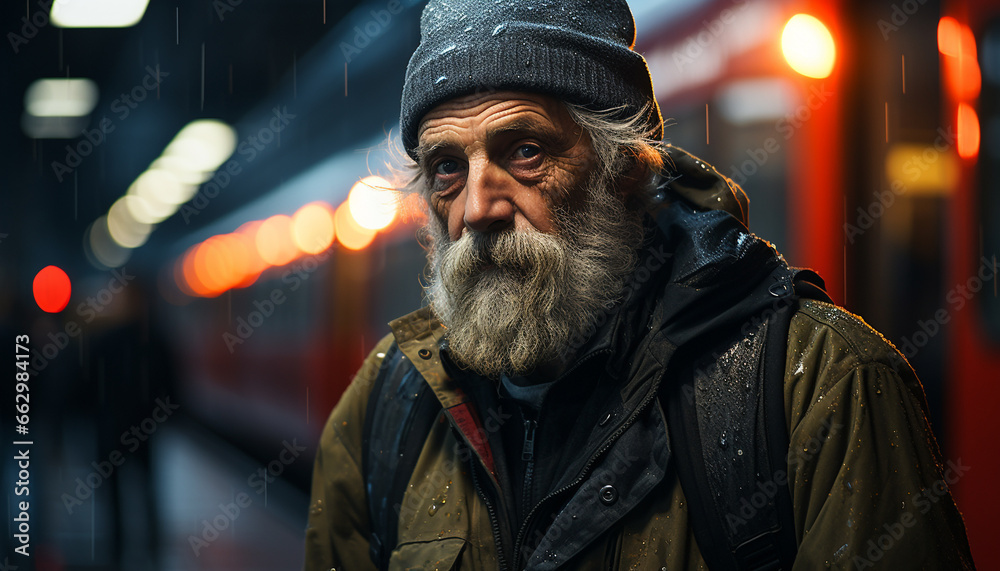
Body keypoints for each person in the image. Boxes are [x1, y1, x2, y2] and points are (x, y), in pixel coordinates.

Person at [304, 0, 975, 569]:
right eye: (448, 167)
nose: (478, 206)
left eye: (525, 151)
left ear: (622, 167)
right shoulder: (385, 406)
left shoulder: (825, 387)